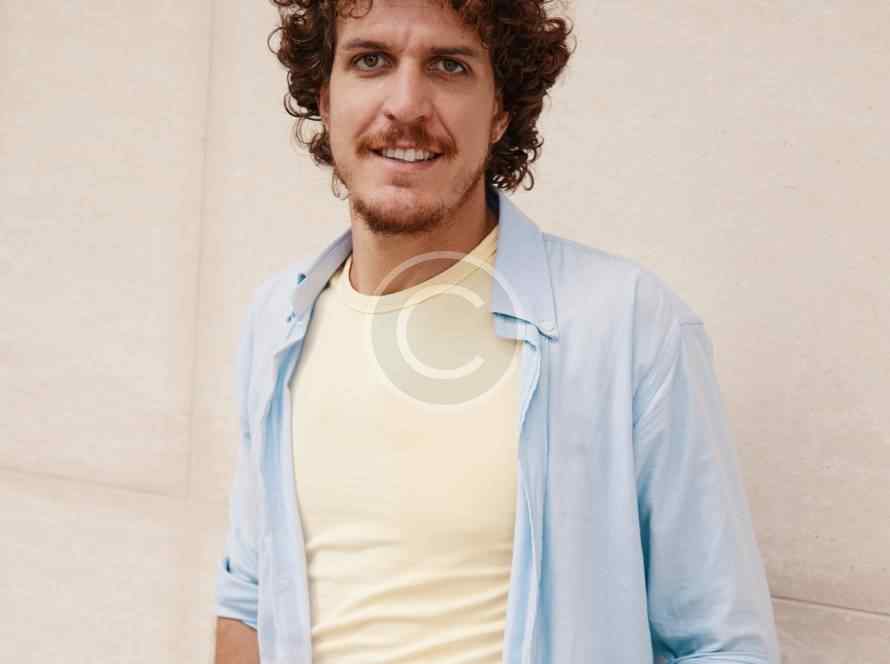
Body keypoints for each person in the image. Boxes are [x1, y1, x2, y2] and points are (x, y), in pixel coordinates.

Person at [214, 1, 782, 662]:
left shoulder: (628, 326)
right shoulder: (279, 320)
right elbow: (248, 601)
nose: (406, 104)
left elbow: (724, 644)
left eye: (449, 66)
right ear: (325, 97)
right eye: (370, 60)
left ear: (500, 112)